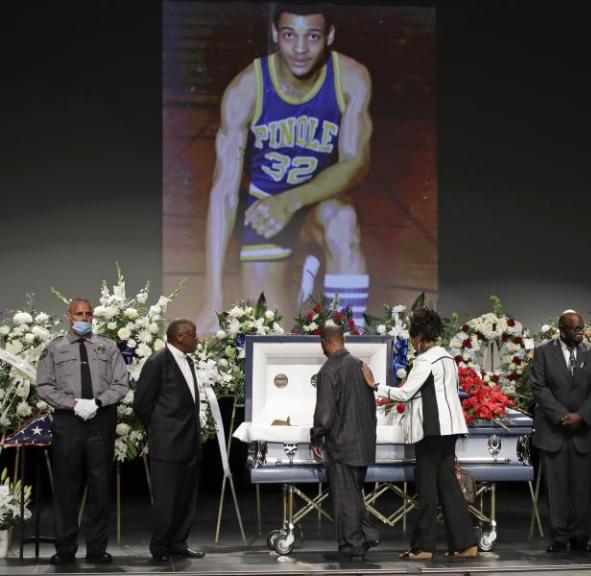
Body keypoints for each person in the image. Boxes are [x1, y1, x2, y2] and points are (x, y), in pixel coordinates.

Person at [199, 2, 372, 334]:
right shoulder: (246, 88)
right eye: (290, 35)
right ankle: (306, 274)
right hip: (263, 214)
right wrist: (213, 295)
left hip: (315, 204)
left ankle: (352, 337)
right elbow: (222, 194)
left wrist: (291, 200)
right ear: (275, 34)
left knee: (343, 220)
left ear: (330, 36)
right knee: (272, 333)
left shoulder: (350, 78)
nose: (301, 49)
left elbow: (355, 163)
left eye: (313, 36)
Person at [367, 308, 478, 559]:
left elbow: (406, 393)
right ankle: (465, 543)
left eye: (412, 337)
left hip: (431, 430)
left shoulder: (425, 360)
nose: (413, 343)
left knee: (427, 488)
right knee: (448, 486)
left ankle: (424, 547)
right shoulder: (448, 357)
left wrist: (375, 386)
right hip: (449, 429)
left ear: (418, 336)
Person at [36, 298, 129, 565]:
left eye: (88, 314)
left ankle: (97, 549)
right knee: (66, 487)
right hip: (68, 422)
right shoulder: (54, 348)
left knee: (100, 486)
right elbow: (44, 385)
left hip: (101, 420)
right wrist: (73, 404)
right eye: (79, 314)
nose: (84, 318)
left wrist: (97, 402)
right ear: (69, 316)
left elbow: (121, 383)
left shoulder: (108, 346)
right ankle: (65, 549)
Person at [529, 310, 591, 553]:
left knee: (582, 489)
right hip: (554, 430)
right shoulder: (543, 351)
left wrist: (581, 415)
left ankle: (580, 537)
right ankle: (559, 537)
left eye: (581, 328)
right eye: (574, 329)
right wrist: (563, 415)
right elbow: (539, 387)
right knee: (557, 488)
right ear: (561, 330)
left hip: (583, 430)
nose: (579, 332)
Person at [133, 319, 205, 562]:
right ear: (180, 337)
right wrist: (158, 430)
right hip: (167, 443)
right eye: (193, 335)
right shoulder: (158, 362)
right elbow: (142, 402)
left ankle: (178, 542)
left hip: (189, 441)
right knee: (166, 499)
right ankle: (161, 547)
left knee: (186, 497)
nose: (197, 338)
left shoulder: (188, 360)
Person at [311, 325, 380, 562]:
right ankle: (366, 535)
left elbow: (325, 412)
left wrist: (316, 436)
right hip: (363, 442)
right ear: (342, 339)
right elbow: (372, 406)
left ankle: (353, 546)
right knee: (353, 495)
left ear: (324, 342)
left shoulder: (329, 370)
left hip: (342, 443)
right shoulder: (361, 365)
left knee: (345, 498)